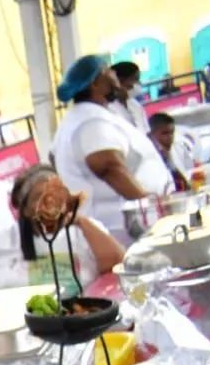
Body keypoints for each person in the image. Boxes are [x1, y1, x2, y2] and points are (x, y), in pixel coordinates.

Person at [0, 165, 124, 295]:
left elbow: (116, 263)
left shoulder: (85, 231)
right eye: (39, 197)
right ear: (24, 208)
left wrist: (80, 221)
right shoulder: (6, 238)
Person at [51, 54, 173, 241]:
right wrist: (152, 206)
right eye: (107, 70)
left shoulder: (85, 117)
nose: (114, 74)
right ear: (95, 84)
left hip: (124, 228)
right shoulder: (91, 122)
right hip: (123, 232)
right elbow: (110, 168)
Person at [148, 112, 193, 191]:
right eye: (164, 133)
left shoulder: (180, 149)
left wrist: (169, 161)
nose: (170, 137)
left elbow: (186, 185)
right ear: (151, 135)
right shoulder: (148, 157)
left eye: (172, 132)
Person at [107, 61, 151, 134]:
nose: (139, 83)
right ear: (119, 81)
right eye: (135, 79)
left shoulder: (136, 106)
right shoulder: (108, 108)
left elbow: (146, 131)